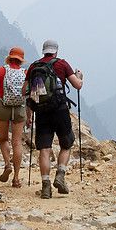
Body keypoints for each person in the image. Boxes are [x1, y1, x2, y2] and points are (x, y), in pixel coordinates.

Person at [24, 39, 83, 199]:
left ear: (43, 51)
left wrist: (29, 115)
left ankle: (45, 186)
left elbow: (26, 92)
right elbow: (77, 85)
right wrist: (79, 76)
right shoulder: (62, 64)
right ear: (56, 51)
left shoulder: (34, 67)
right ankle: (60, 175)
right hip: (60, 110)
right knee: (66, 144)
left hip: (42, 112)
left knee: (44, 149)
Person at [0, 47, 29, 187]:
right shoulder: (25, 73)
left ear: (9, 58)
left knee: (4, 139)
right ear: (21, 60)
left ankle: (7, 164)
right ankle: (16, 179)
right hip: (19, 109)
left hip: (3, 107)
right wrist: (29, 115)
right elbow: (28, 95)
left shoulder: (0, 71)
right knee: (17, 143)